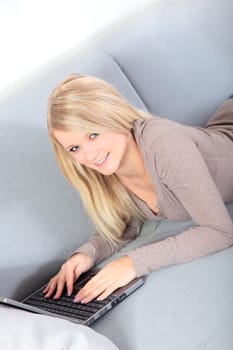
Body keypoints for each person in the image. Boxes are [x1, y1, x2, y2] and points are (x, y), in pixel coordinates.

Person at [45, 74, 233, 304]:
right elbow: (127, 222)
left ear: (113, 115)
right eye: (74, 148)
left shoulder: (164, 143)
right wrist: (86, 254)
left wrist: (131, 263)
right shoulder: (108, 169)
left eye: (93, 134)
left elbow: (220, 232)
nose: (89, 155)